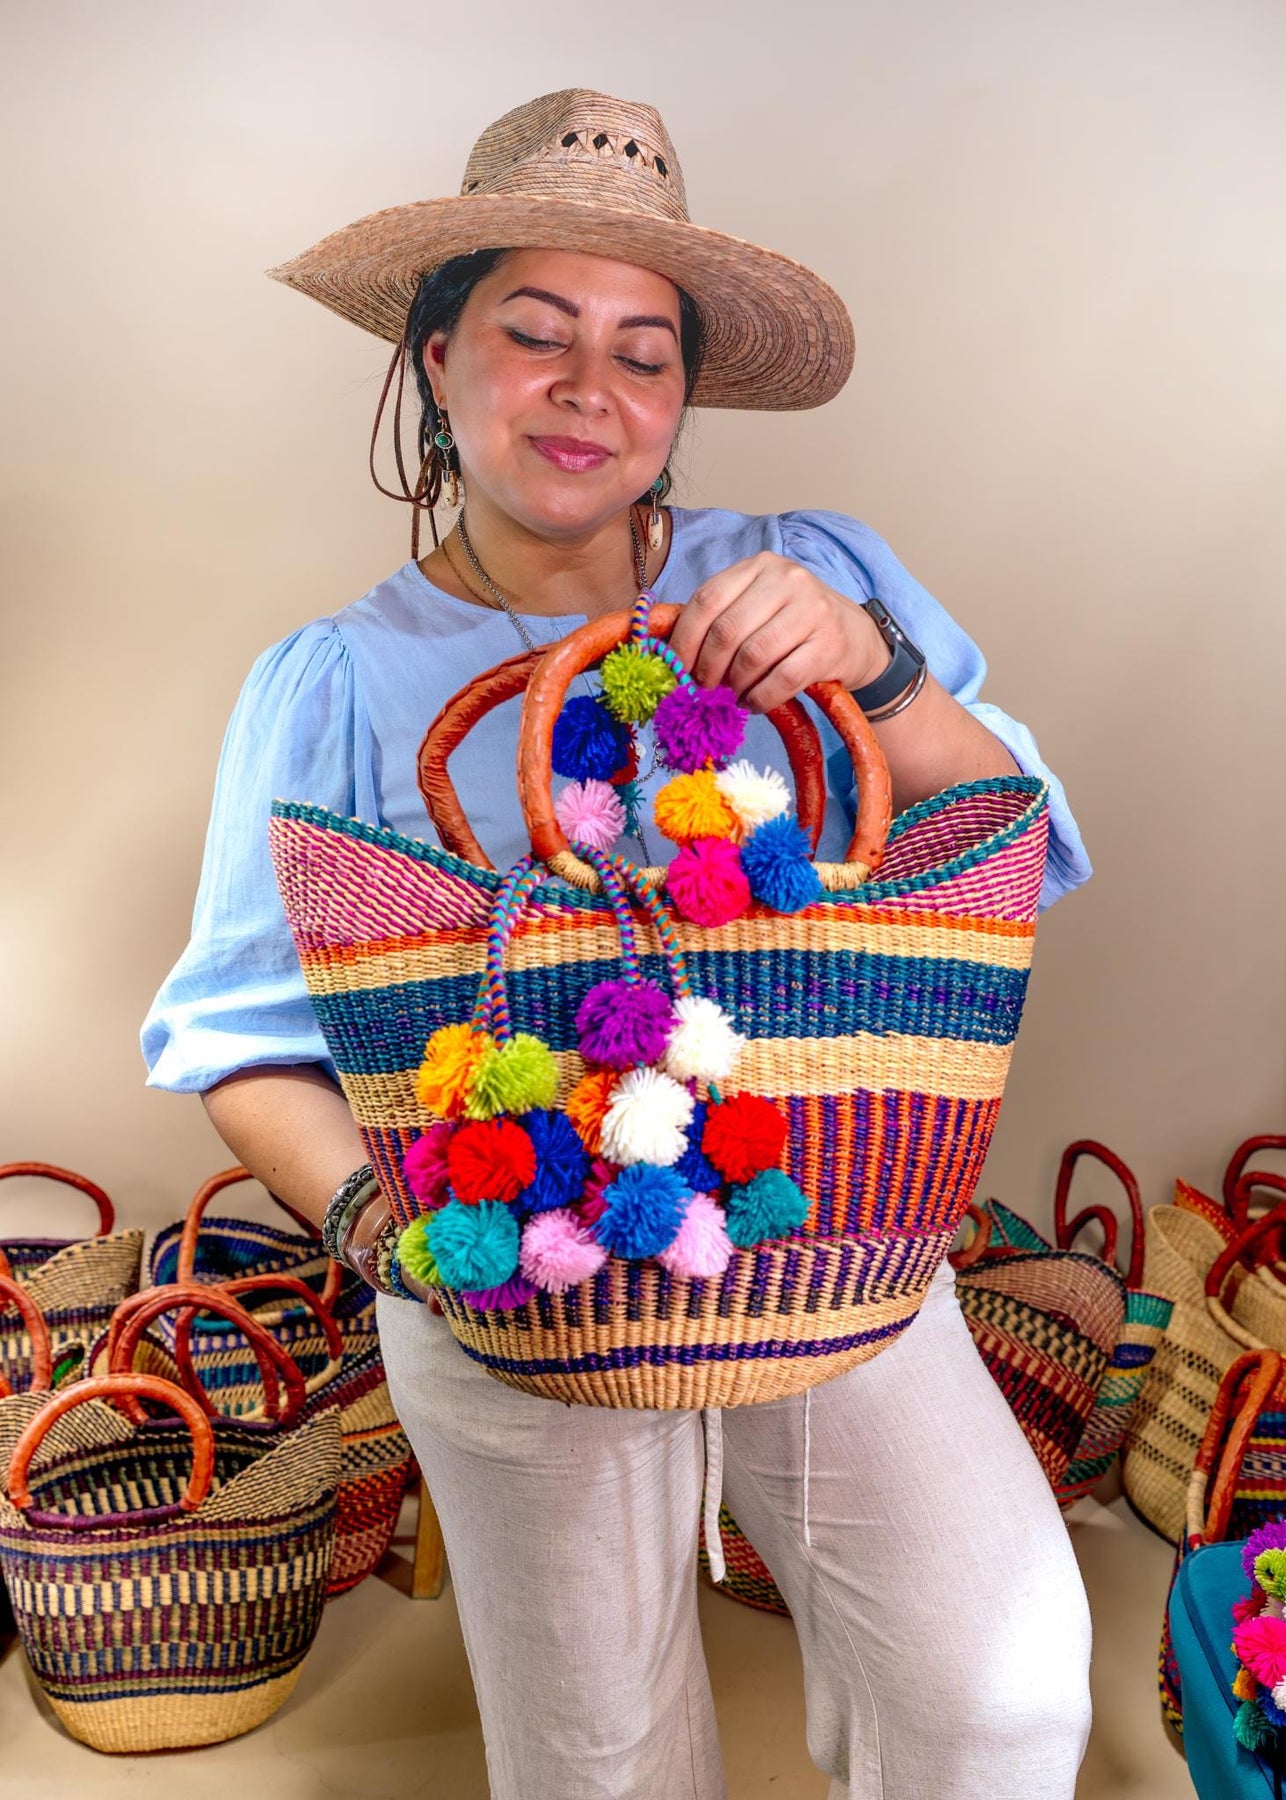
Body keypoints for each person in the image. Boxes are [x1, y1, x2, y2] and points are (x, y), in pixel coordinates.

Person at [143, 89, 1094, 1800]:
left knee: (998, 1697)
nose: (590, 387)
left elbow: (1022, 841)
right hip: (516, 1276)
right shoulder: (335, 684)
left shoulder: (802, 575)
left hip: (828, 1238)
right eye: (535, 333)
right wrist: (401, 1242)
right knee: (600, 1767)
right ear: (436, 358)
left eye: (642, 355)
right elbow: (235, 1043)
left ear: (679, 401)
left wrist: (872, 670)